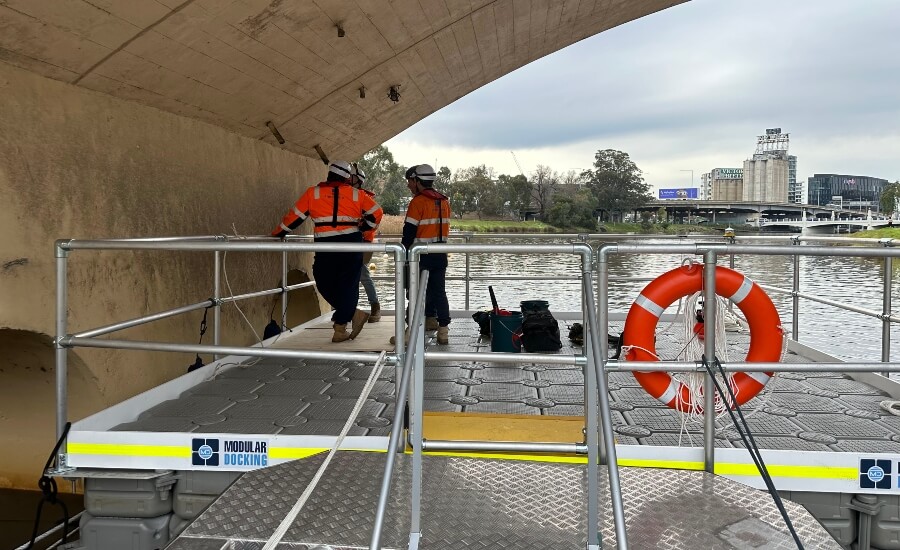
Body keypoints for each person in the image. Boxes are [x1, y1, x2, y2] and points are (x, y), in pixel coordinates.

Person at [271, 160, 379, 342]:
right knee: (348, 284)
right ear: (347, 177)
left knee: (322, 280)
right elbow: (377, 212)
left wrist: (278, 234)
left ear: (329, 174)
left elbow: (294, 217)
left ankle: (340, 328)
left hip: (325, 244)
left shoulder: (313, 193)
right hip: (351, 244)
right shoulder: (357, 194)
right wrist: (364, 228)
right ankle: (351, 315)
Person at [401, 163, 452, 345]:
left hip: (421, 255)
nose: (408, 185)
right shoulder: (444, 201)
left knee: (414, 292)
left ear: (417, 180)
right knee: (439, 291)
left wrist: (403, 254)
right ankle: (443, 330)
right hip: (440, 253)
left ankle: (408, 334)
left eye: (410, 181)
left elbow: (408, 233)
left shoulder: (418, 202)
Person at [350, 165, 383, 322]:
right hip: (351, 241)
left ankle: (375, 306)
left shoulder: (361, 197)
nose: (348, 178)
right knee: (350, 276)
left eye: (352, 177)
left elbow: (375, 216)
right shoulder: (347, 195)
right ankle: (349, 309)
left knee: (362, 274)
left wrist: (361, 230)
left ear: (358, 180)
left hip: (363, 242)